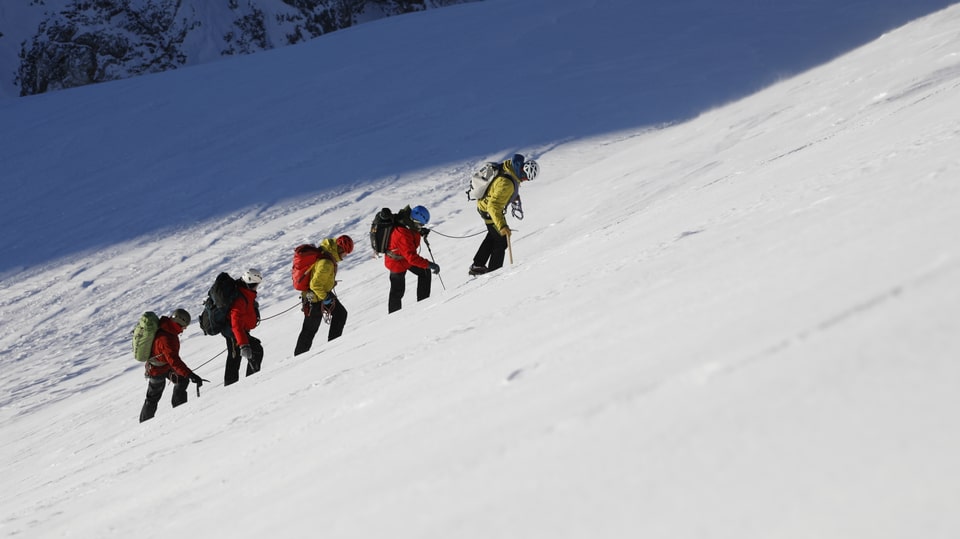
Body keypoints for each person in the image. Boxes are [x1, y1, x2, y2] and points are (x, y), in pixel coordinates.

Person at [470, 153, 539, 275]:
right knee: (501, 240)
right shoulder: (507, 184)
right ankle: (494, 272)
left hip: (484, 206)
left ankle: (478, 265)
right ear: (523, 172)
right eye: (525, 178)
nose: (524, 180)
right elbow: (493, 206)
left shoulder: (510, 168)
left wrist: (511, 197)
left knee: (493, 235)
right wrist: (502, 226)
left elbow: (498, 189)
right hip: (488, 210)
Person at [139, 308, 205, 422]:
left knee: (182, 380)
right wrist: (190, 374)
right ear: (179, 323)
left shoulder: (168, 329)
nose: (185, 329)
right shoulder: (166, 338)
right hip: (156, 369)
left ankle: (179, 410)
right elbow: (174, 360)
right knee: (153, 398)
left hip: (165, 366)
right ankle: (145, 423)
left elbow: (172, 361)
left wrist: (187, 375)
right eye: (184, 326)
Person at [294, 235, 353, 356]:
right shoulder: (326, 262)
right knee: (309, 331)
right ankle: (298, 358)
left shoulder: (326, 255)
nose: (345, 256)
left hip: (316, 296)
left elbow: (318, 279)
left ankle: (333, 345)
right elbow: (315, 284)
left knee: (340, 314)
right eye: (345, 253)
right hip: (316, 299)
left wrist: (330, 283)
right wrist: (326, 298)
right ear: (340, 250)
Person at [384, 205, 439, 313]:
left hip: (404, 258)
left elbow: (412, 232)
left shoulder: (408, 223)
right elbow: (412, 258)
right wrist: (430, 264)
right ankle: (393, 317)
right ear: (414, 220)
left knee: (424, 272)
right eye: (420, 224)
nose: (420, 226)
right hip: (396, 263)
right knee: (397, 292)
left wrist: (420, 231)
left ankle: (423, 304)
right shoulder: (402, 233)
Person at [223, 269, 264, 386]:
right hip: (233, 333)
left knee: (239, 357)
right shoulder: (240, 299)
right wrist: (244, 345)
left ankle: (243, 383)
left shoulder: (244, 293)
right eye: (257, 285)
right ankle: (236, 386)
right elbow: (235, 324)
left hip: (238, 332)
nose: (257, 288)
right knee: (237, 357)